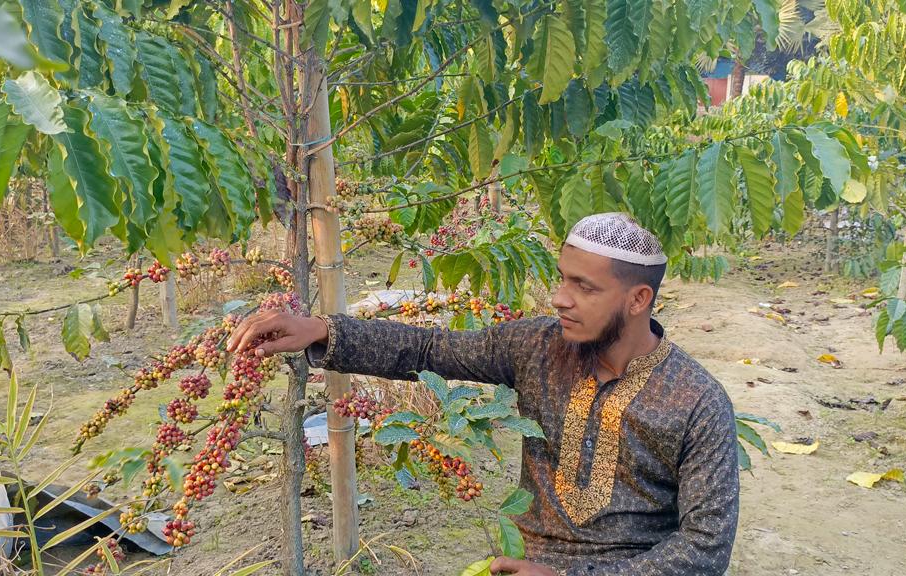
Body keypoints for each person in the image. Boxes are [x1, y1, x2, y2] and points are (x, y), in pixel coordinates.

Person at [227, 213, 739, 576]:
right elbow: (430, 348)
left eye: (584, 287)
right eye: (562, 279)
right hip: (522, 558)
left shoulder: (697, 402)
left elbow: (704, 548)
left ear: (638, 299)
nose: (560, 297)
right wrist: (321, 330)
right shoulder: (539, 346)